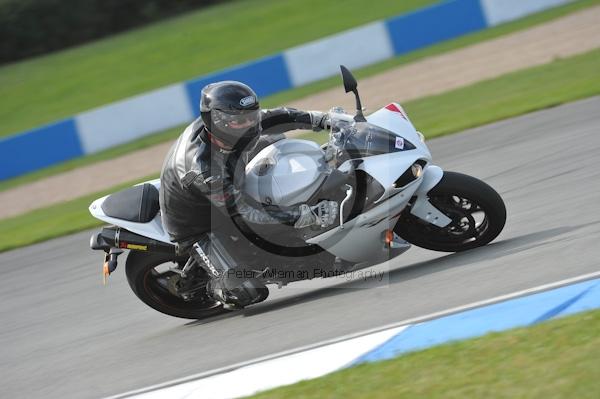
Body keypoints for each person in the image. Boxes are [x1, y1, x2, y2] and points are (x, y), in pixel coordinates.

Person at [159, 81, 338, 309]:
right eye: (239, 121)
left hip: (228, 181)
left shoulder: (233, 124)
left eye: (251, 116)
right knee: (248, 292)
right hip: (200, 224)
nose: (250, 124)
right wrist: (303, 215)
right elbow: (245, 215)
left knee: (278, 141)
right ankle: (217, 286)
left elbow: (275, 117)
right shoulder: (202, 169)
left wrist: (322, 120)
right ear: (216, 121)